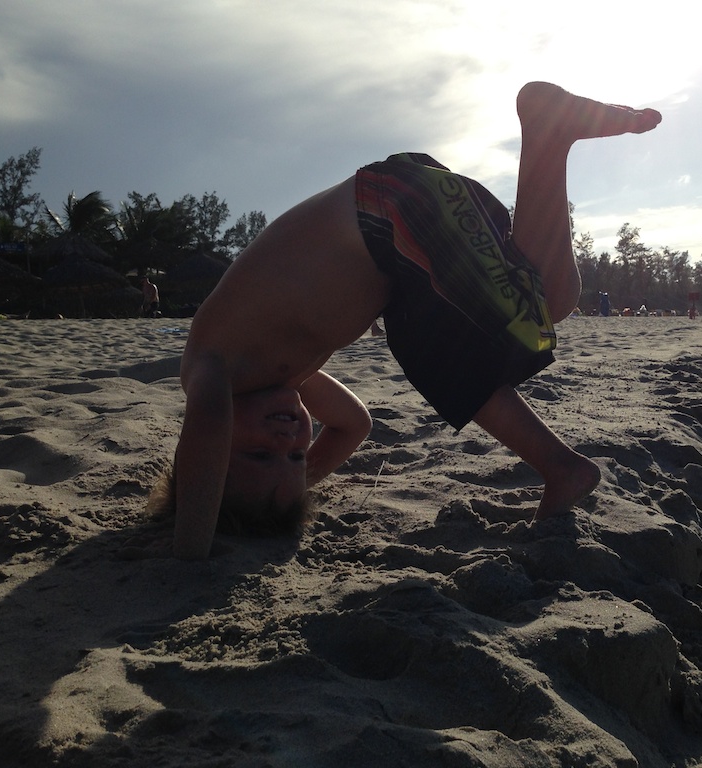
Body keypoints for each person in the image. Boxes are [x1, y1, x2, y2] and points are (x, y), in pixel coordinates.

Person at [153, 81, 662, 560]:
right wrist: (303, 475)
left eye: (260, 456)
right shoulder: (279, 376)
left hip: (385, 215)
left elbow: (205, 440)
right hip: (401, 215)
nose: (287, 442)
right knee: (535, 304)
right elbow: (355, 424)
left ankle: (560, 465)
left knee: (436, 351)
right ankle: (549, 138)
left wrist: (188, 551)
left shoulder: (210, 370)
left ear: (204, 462)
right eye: (293, 457)